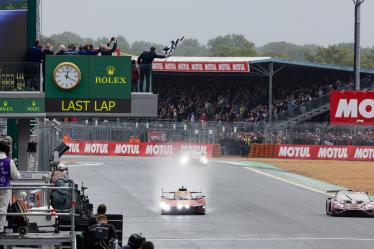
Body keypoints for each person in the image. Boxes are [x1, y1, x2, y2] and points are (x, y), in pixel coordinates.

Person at [0, 140, 21, 235]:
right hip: (4, 188)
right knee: (2, 208)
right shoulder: (9, 161)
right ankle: (0, 229)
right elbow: (16, 177)